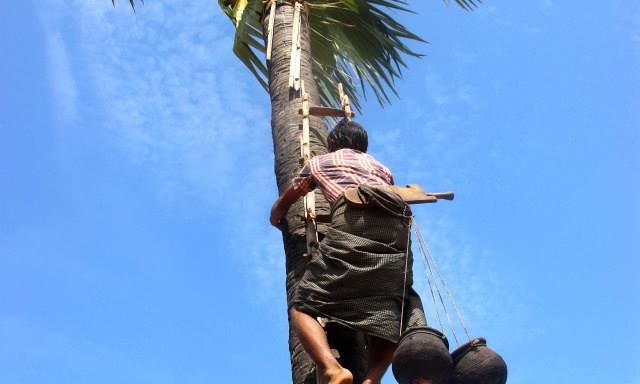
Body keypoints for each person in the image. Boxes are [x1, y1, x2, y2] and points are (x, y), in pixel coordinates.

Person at [270, 120, 426, 384]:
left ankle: (332, 369)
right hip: (397, 237)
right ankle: (372, 379)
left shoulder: (321, 162)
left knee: (303, 307)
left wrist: (278, 213)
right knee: (392, 316)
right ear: (364, 146)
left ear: (331, 143)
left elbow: (289, 199)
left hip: (353, 226)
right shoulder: (381, 168)